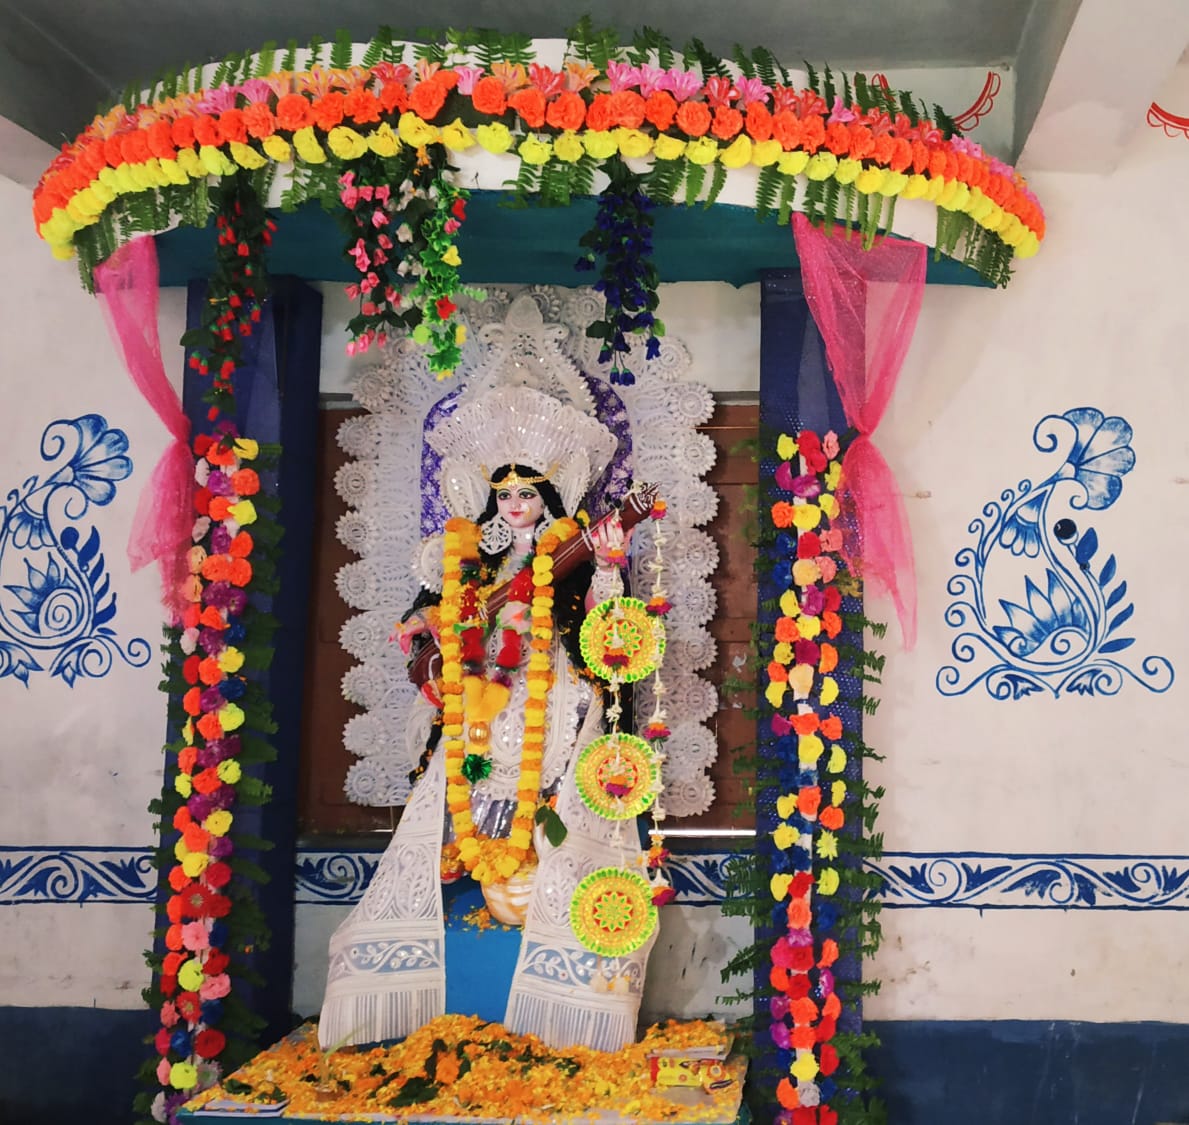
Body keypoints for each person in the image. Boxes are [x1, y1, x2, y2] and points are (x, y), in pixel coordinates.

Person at [318, 384, 656, 1053]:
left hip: (548, 677)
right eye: (504, 494)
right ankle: (476, 860)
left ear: (548, 498)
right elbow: (436, 613)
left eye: (527, 493)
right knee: (469, 765)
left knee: (551, 755)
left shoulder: (567, 550)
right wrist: (421, 628)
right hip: (482, 688)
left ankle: (535, 866)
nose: (515, 504)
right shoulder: (473, 554)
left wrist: (611, 561)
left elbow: (602, 619)